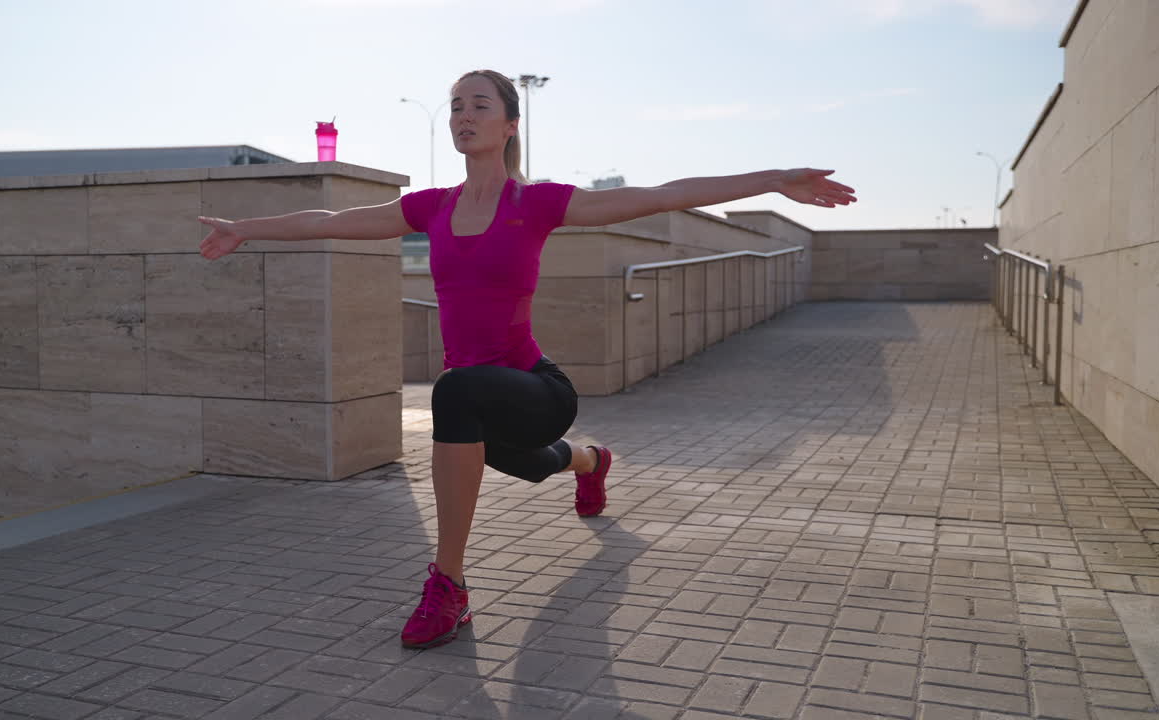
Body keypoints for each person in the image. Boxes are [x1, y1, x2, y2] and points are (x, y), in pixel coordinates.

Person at [198, 69, 856, 650]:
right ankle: (592, 461)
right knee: (526, 458)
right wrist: (245, 230)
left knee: (454, 392)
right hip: (489, 403)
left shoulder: (535, 203)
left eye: (479, 104)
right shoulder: (432, 209)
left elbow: (661, 194)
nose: (463, 116)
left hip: (538, 388)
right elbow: (328, 222)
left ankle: (448, 585)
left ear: (511, 124)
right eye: (455, 105)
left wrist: (774, 178)